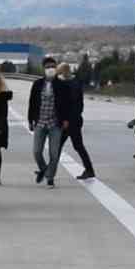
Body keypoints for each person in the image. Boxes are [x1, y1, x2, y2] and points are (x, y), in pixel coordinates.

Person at [28, 57, 70, 189]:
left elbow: (67, 104)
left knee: (54, 153)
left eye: (53, 66)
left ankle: (50, 178)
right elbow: (32, 103)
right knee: (37, 152)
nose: (50, 69)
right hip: (40, 122)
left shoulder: (62, 85)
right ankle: (44, 169)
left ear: (56, 68)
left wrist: (66, 120)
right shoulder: (37, 84)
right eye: (48, 67)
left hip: (55, 124)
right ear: (43, 69)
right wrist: (30, 120)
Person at [57, 63, 95, 180]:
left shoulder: (71, 84)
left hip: (71, 121)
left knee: (61, 146)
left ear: (64, 72)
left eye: (60, 72)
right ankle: (89, 170)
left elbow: (73, 105)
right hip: (72, 120)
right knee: (74, 146)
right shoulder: (74, 83)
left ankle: (49, 170)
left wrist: (67, 120)